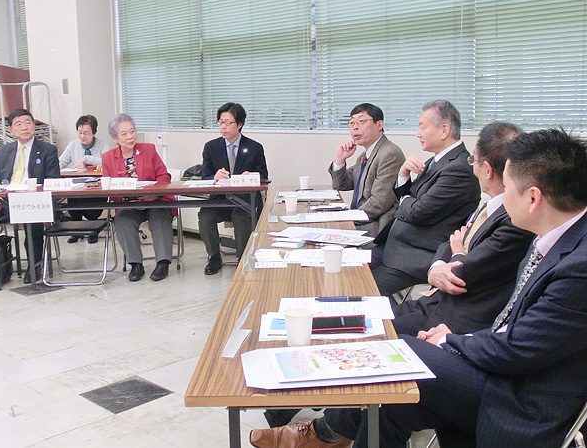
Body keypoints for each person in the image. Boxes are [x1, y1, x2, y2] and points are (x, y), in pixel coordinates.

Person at [249, 128, 587, 448]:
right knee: (392, 403)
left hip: (521, 397)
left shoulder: (577, 267)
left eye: (508, 187)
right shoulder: (555, 236)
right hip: (498, 357)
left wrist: (450, 341)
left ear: (532, 198)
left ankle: (319, 429)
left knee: (398, 351)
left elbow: (518, 348)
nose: (501, 195)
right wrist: (460, 339)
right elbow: (515, 326)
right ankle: (324, 433)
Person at [393, 122, 533, 335]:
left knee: (374, 332)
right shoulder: (490, 205)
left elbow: (462, 273)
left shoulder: (515, 220)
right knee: (368, 318)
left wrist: (458, 253)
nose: (471, 166)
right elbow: (452, 238)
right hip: (435, 301)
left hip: (457, 318)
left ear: (487, 170)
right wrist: (435, 268)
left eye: (472, 160)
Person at [371, 100, 481, 298]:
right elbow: (411, 200)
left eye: (422, 127)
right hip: (394, 246)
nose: (418, 134)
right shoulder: (437, 160)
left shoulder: (459, 169)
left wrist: (406, 200)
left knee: (362, 288)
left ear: (444, 130)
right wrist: (403, 174)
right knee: (347, 267)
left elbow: (418, 211)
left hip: (414, 256)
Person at [0, 109, 60, 283]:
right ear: (11, 130)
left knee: (32, 218)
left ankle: (34, 265)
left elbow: (53, 179)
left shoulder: (47, 150)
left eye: (28, 122)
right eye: (18, 124)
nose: (24, 127)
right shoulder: (3, 151)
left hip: (34, 200)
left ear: (33, 126)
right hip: (7, 201)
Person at [198, 102, 268, 275]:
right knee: (205, 215)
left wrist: (251, 176)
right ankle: (214, 257)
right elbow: (205, 177)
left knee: (242, 217)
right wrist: (214, 177)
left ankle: (242, 258)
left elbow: (264, 177)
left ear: (240, 124)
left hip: (244, 201)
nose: (223, 127)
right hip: (220, 199)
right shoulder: (211, 147)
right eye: (221, 122)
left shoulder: (254, 147)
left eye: (228, 123)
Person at [102, 114, 174, 282]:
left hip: (154, 200)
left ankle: (163, 263)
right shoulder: (107, 158)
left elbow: (164, 176)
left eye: (132, 131)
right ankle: (136, 264)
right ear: (115, 139)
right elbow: (107, 186)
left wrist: (153, 194)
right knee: (122, 220)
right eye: (124, 134)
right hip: (128, 204)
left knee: (160, 216)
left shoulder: (148, 150)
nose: (130, 137)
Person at [329, 103, 405, 237]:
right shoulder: (365, 155)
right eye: (352, 123)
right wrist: (340, 160)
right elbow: (342, 184)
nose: (355, 127)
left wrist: (346, 217)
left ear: (379, 125)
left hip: (374, 228)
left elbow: (379, 203)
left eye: (361, 121)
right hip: (358, 221)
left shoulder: (389, 153)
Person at [58, 114, 109, 243]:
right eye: (79, 132)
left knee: (92, 209)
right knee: (73, 203)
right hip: (77, 185)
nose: (82, 136)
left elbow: (106, 162)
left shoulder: (103, 143)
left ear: (94, 132)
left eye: (86, 133)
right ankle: (76, 230)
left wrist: (86, 159)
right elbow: (60, 163)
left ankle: (93, 229)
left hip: (96, 186)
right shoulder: (73, 145)